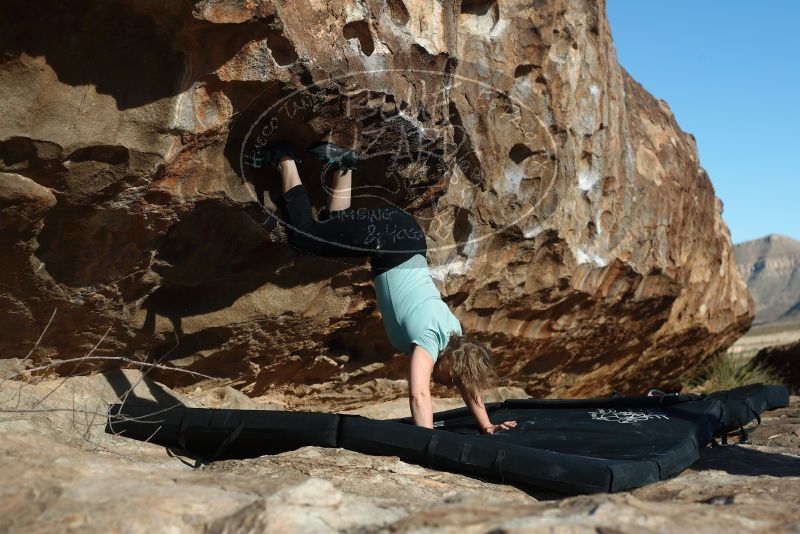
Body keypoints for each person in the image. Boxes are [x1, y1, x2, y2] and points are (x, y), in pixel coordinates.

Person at [251, 140, 516, 434]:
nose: (451, 383)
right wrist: (428, 444)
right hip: (390, 242)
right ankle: (284, 157)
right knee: (305, 237)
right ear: (451, 360)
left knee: (336, 227)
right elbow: (419, 394)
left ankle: (343, 165)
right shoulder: (429, 341)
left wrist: (487, 424)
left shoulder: (454, 332)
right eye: (453, 378)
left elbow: (468, 380)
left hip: (403, 237)